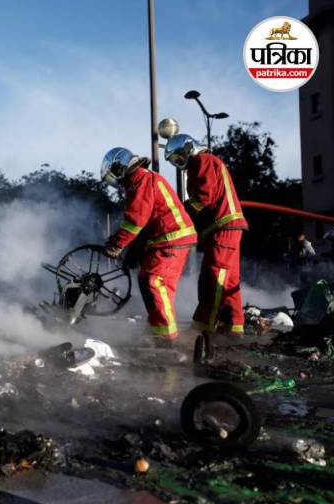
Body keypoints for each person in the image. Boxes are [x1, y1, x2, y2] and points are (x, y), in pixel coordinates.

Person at [101, 147, 197, 345]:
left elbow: (135, 222)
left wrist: (116, 245)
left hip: (173, 238)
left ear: (121, 168)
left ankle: (166, 338)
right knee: (146, 279)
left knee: (155, 281)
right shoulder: (142, 179)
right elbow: (144, 226)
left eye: (115, 178)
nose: (118, 184)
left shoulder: (140, 179)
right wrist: (132, 254)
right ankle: (156, 328)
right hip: (166, 239)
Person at [164, 134, 247, 336]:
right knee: (228, 281)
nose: (180, 163)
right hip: (226, 227)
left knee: (213, 276)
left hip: (223, 227)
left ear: (188, 149)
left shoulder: (203, 160)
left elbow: (204, 197)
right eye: (176, 161)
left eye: (179, 158)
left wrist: (181, 212)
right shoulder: (209, 162)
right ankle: (234, 327)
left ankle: (204, 327)